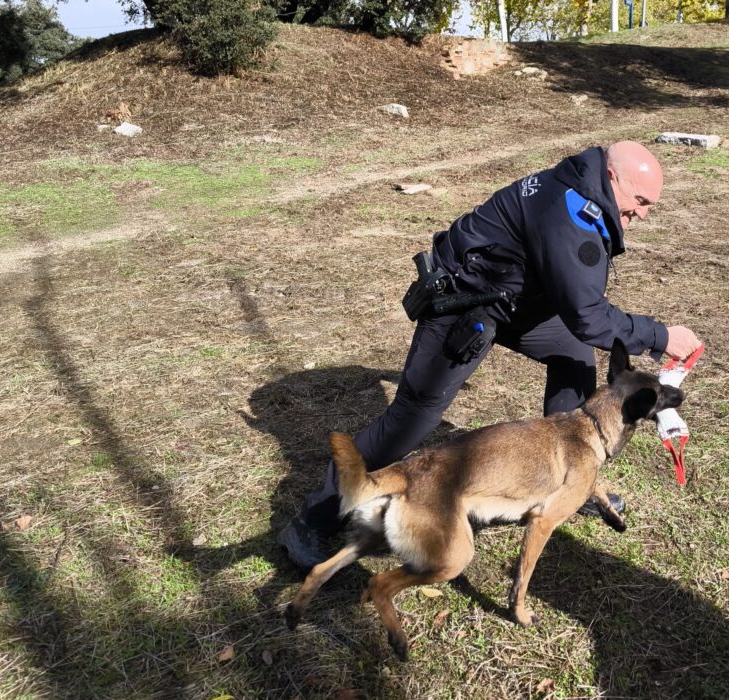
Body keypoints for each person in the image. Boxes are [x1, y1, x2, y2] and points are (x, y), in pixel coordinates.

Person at [279, 141, 702, 568]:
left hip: (514, 300)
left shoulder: (582, 185)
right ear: (612, 178)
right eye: (641, 200)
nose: (644, 213)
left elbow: (575, 308)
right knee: (414, 416)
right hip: (464, 300)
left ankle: (572, 483)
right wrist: (660, 335)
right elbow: (588, 316)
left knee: (572, 356)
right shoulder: (571, 211)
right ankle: (313, 520)